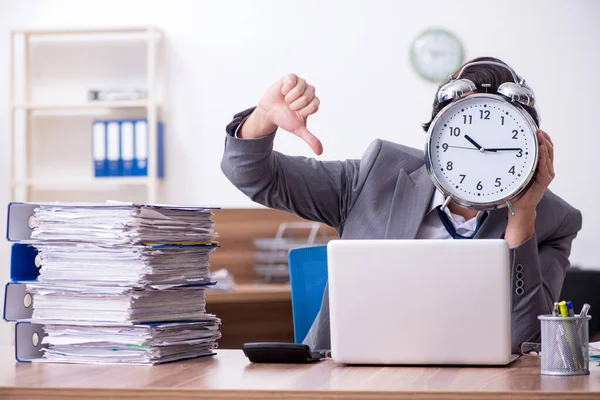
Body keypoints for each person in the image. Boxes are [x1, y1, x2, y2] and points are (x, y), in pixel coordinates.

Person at [221, 57, 582, 352]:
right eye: (467, 137)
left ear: (531, 151)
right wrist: (263, 118)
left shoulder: (553, 220)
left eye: (502, 142)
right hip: (348, 382)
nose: (481, 156)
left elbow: (527, 344)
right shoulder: (378, 172)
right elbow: (254, 176)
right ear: (436, 136)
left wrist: (522, 220)